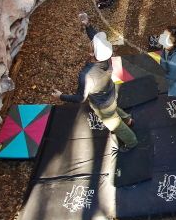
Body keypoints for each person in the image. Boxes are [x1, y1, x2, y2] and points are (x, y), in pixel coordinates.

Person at [52, 15, 137, 152]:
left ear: (92, 54)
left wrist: (61, 96)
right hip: (110, 93)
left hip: (101, 104)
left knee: (113, 122)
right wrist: (88, 25)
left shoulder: (86, 75)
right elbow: (96, 38)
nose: (91, 42)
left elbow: (81, 98)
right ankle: (128, 120)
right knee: (113, 108)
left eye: (92, 45)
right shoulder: (106, 56)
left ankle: (131, 141)